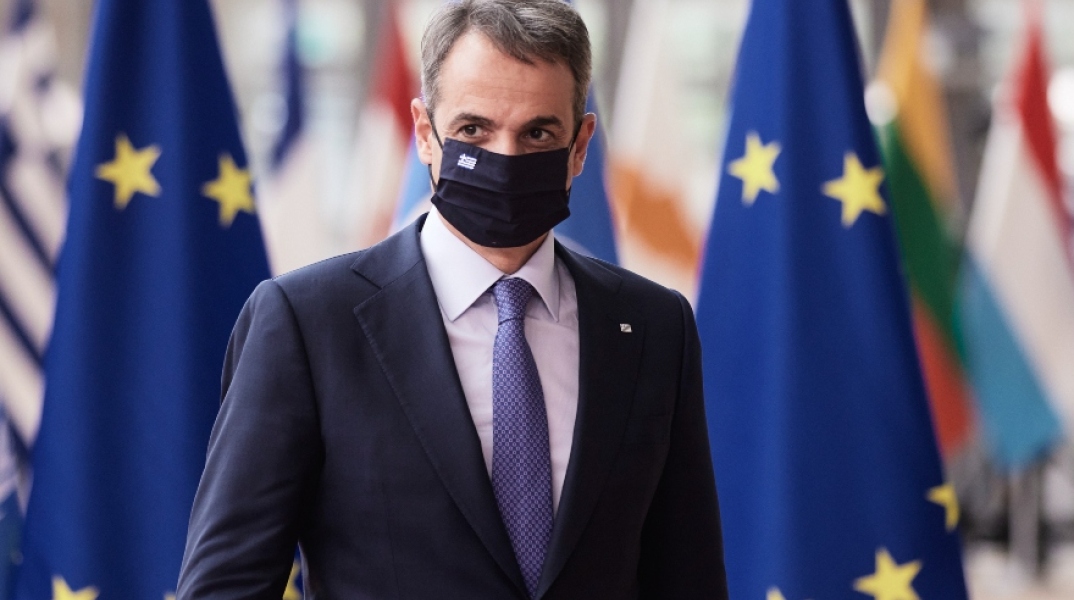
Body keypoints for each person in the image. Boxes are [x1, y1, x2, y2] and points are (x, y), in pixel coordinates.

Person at [176, 1, 727, 598]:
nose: (505, 158)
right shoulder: (308, 324)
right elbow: (227, 586)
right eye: (473, 131)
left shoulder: (653, 326)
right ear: (424, 133)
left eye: (538, 133)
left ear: (580, 145)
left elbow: (687, 577)